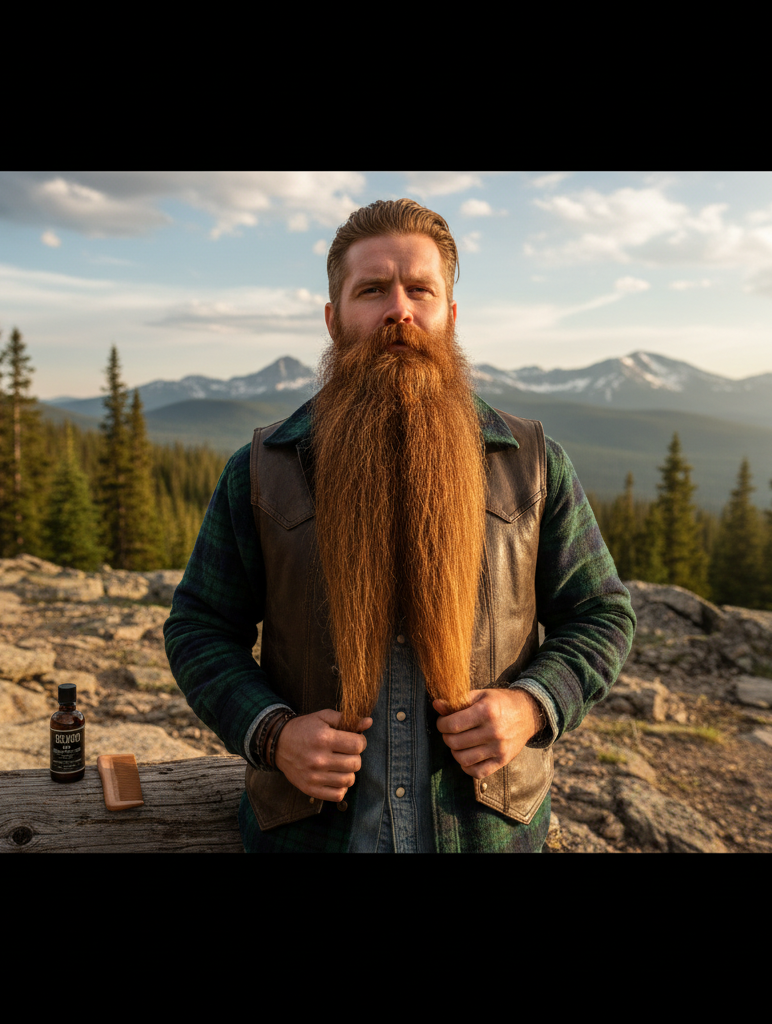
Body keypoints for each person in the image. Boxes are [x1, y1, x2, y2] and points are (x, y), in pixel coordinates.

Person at [164, 198, 636, 852]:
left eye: (420, 289)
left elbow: (603, 612)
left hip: (485, 835)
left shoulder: (531, 465)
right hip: (312, 838)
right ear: (333, 319)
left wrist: (530, 707)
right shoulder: (259, 471)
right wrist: (272, 733)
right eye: (372, 290)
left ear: (450, 315)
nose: (399, 310)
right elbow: (198, 627)